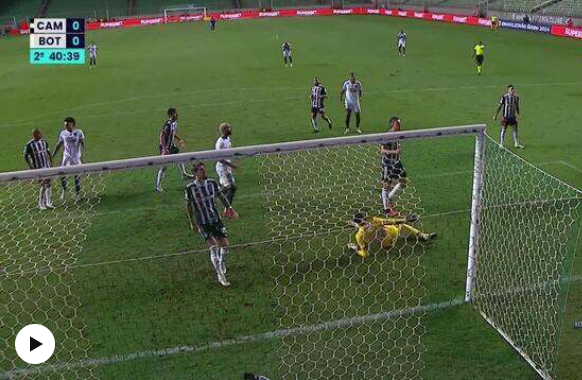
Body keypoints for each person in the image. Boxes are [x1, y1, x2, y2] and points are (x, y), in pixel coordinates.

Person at [185, 163, 238, 287]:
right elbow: (189, 206)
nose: (204, 172)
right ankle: (220, 275)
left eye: (204, 169)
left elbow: (221, 196)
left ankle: (221, 264)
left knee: (225, 247)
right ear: (195, 173)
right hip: (202, 222)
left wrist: (229, 208)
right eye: (201, 170)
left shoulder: (212, 183)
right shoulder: (190, 188)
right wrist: (192, 222)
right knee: (213, 247)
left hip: (216, 219)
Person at [347, 212, 436, 259]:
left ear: (357, 223)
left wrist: (356, 248)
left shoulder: (359, 235)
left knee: (363, 252)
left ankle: (353, 247)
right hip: (393, 232)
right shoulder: (373, 220)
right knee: (402, 225)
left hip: (387, 245)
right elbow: (389, 221)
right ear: (364, 218)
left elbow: (366, 254)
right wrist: (405, 219)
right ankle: (423, 235)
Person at [155, 107, 192, 192]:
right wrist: (165, 149)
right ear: (171, 114)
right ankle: (158, 186)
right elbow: (162, 136)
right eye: (175, 113)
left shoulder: (174, 123)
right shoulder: (167, 124)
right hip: (165, 147)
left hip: (171, 146)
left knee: (179, 157)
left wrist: (179, 139)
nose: (177, 114)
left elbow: (172, 133)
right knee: (164, 167)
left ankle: (183, 174)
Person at [380, 117, 407, 217]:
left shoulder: (397, 134)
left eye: (400, 124)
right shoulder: (388, 135)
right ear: (393, 125)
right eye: (397, 124)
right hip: (388, 163)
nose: (399, 126)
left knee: (403, 182)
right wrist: (394, 152)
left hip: (396, 162)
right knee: (386, 185)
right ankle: (386, 209)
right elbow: (382, 150)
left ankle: (390, 198)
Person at [53, 117, 84, 202]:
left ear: (72, 124)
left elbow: (82, 143)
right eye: (65, 125)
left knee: (77, 175)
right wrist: (53, 154)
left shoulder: (79, 132)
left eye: (67, 124)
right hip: (66, 157)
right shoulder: (63, 133)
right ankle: (64, 190)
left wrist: (82, 155)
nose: (66, 126)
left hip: (76, 157)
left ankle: (77, 194)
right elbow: (59, 144)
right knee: (62, 174)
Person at [24, 129, 54, 210]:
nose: (39, 135)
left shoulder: (44, 142)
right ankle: (41, 204)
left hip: (47, 166)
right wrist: (31, 167)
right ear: (34, 135)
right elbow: (25, 156)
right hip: (38, 168)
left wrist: (51, 163)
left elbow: (48, 153)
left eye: (39, 134)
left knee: (48, 184)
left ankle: (48, 202)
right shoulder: (29, 145)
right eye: (36, 135)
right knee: (43, 184)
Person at [215, 122, 238, 205]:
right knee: (232, 187)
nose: (230, 129)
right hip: (222, 168)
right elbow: (218, 158)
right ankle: (228, 207)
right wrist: (231, 165)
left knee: (229, 188)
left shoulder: (227, 139)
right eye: (228, 128)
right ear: (224, 130)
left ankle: (216, 193)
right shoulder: (220, 143)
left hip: (227, 167)